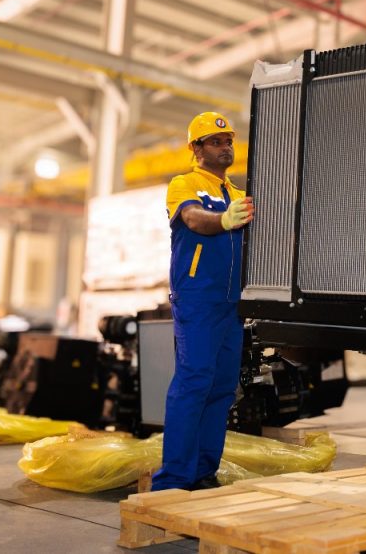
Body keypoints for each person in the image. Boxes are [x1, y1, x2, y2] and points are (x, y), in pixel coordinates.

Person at [151, 111, 254, 491]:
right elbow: (194, 219)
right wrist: (223, 220)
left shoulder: (239, 194)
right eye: (215, 142)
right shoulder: (185, 185)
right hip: (198, 298)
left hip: (232, 302)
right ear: (196, 148)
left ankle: (203, 473)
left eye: (228, 142)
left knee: (223, 387)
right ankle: (173, 480)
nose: (225, 148)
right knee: (194, 382)